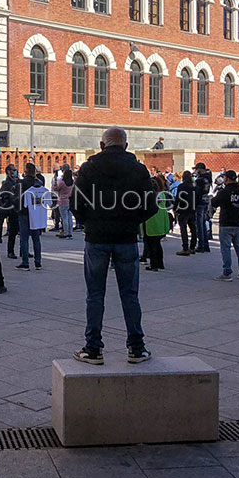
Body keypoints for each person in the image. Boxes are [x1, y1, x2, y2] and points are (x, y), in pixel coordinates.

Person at [70, 126, 156, 365]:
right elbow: (151, 206)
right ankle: (136, 348)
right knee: (130, 294)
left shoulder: (89, 168)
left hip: (96, 238)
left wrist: (90, 222)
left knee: (95, 295)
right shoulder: (138, 169)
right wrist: (131, 222)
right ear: (126, 146)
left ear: (101, 145)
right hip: (126, 238)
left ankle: (93, 349)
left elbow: (75, 203)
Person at [212, 170, 239, 281]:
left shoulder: (224, 191)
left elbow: (214, 202)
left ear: (226, 179)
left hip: (227, 222)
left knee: (225, 248)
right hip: (238, 222)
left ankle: (227, 272)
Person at [19, 169, 50, 271]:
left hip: (24, 214)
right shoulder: (43, 187)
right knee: (36, 239)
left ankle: (25, 262)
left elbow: (22, 202)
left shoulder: (22, 184)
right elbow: (50, 203)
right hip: (37, 217)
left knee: (24, 239)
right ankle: (38, 262)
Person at [141, 175, 170, 271]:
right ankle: (160, 263)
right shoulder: (161, 194)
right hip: (160, 223)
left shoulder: (149, 195)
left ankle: (154, 265)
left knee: (152, 245)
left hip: (150, 223)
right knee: (157, 244)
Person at [173, 171, 197, 256]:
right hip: (193, 209)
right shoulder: (194, 186)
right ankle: (193, 247)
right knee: (193, 228)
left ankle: (185, 248)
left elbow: (178, 198)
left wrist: (175, 208)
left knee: (183, 229)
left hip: (183, 209)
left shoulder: (181, 186)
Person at [0, 164, 20, 259]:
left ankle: (10, 251)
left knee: (13, 231)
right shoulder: (6, 183)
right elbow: (1, 195)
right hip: (6, 207)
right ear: (8, 172)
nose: (15, 172)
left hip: (14, 209)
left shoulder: (17, 182)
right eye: (13, 170)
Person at [52, 165, 74, 238]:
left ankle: (66, 232)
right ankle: (70, 232)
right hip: (70, 200)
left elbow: (55, 188)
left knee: (64, 218)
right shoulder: (72, 183)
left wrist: (55, 181)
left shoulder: (62, 182)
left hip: (62, 201)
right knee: (69, 217)